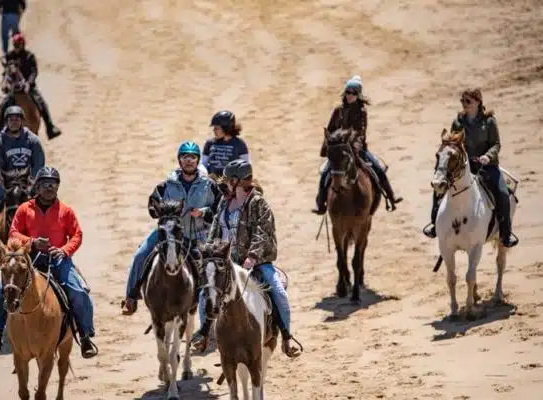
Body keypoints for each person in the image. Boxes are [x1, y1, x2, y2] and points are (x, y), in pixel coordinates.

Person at [191, 159, 302, 358]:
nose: (225, 184)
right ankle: (204, 334)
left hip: (256, 263)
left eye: (228, 180)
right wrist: (208, 252)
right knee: (204, 293)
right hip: (226, 263)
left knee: (278, 292)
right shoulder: (225, 202)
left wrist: (251, 256)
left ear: (238, 181)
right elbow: (215, 230)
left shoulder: (258, 203)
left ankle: (286, 337)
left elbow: (263, 231)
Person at [0, 166, 99, 358]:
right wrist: (32, 243)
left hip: (58, 260)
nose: (50, 188)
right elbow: (13, 232)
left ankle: (86, 336)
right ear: (37, 187)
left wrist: (64, 250)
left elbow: (76, 235)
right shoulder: (24, 209)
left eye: (54, 184)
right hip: (30, 260)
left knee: (79, 292)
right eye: (46, 184)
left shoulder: (66, 211)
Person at [121, 141, 222, 316]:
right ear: (179, 160)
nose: (188, 161)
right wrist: (163, 211)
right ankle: (130, 297)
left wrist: (204, 213)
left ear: (198, 160)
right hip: (169, 233)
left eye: (192, 157)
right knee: (140, 254)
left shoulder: (209, 185)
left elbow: (220, 209)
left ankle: (213, 309)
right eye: (184, 157)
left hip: (197, 234)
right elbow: (153, 206)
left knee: (212, 268)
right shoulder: (166, 185)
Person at [422, 88, 518, 248]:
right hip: (465, 166)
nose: (464, 105)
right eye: (462, 101)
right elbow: (453, 143)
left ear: (478, 102)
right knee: (439, 186)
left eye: (468, 101)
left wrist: (487, 156)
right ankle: (434, 224)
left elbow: (496, 144)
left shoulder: (489, 122)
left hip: (487, 166)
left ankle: (505, 233)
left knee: (502, 193)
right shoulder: (458, 122)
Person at [312, 75, 403, 215]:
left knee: (378, 169)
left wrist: (353, 147)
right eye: (348, 92)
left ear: (358, 95)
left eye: (353, 93)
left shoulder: (362, 112)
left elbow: (361, 133)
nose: (350, 95)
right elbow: (330, 129)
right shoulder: (338, 110)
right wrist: (330, 144)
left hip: (357, 150)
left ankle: (391, 197)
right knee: (325, 174)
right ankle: (321, 204)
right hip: (338, 151)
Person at [0, 105, 45, 251]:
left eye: (17, 119)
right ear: (6, 122)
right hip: (7, 183)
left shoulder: (33, 140)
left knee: (49, 204)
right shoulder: (0, 142)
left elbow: (39, 164)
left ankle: (50, 238)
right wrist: (4, 180)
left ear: (22, 121)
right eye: (11, 119)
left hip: (29, 182)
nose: (14, 122)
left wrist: (31, 181)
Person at [0, 33, 61, 139]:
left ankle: (50, 127)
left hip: (29, 87)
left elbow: (34, 72)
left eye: (19, 44)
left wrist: (29, 83)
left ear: (23, 44)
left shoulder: (29, 56)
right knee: (5, 103)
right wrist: (6, 83)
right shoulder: (10, 55)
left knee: (41, 102)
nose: (17, 46)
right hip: (14, 87)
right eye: (15, 44)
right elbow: (6, 72)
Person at [201, 110, 250, 178]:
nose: (214, 130)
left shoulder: (239, 144)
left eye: (217, 128)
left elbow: (245, 166)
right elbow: (203, 165)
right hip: (212, 182)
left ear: (226, 128)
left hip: (231, 183)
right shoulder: (210, 143)